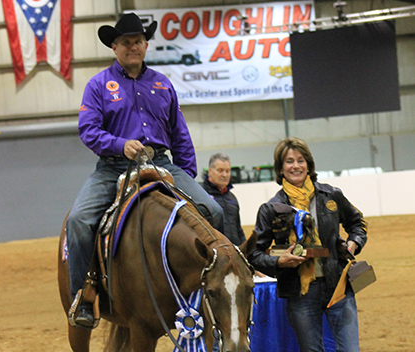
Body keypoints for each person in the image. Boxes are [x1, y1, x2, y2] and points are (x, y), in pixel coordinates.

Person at [66, 13, 223, 328]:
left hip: (160, 163)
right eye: (126, 42)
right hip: (113, 167)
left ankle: (218, 285)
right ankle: (83, 295)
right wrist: (119, 144)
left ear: (146, 44)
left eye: (137, 41)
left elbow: (179, 134)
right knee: (79, 221)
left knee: (213, 210)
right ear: (115, 47)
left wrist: (186, 174)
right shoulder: (98, 86)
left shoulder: (162, 84)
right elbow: (88, 130)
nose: (132, 47)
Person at [248, 137, 367, 352]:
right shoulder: (270, 208)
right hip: (300, 294)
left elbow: (357, 223)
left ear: (309, 165)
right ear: (280, 168)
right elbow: (253, 255)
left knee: (350, 349)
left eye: (301, 160)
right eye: (289, 161)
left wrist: (353, 244)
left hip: (339, 286)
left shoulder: (331, 195)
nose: (296, 166)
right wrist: (279, 262)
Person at [202, 153, 246, 246]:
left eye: (227, 171)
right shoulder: (201, 194)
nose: (225, 175)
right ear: (210, 171)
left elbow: (238, 229)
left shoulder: (232, 198)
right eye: (220, 170)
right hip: (214, 253)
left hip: (234, 251)